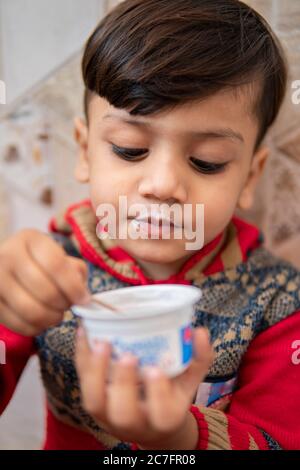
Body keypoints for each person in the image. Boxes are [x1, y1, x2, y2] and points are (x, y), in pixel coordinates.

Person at [0, 0, 299, 450]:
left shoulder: (280, 304)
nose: (162, 185)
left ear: (250, 176)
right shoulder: (46, 274)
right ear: (85, 151)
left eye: (206, 162)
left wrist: (183, 438)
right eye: (129, 149)